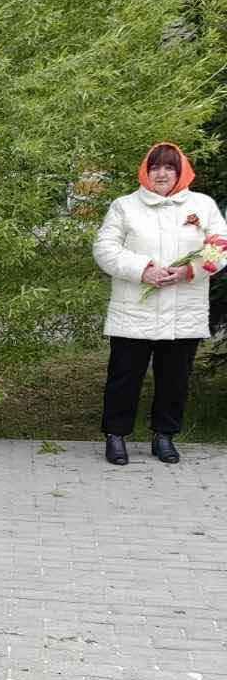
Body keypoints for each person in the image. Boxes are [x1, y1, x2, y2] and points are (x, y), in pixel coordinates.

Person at [93, 142, 227, 465]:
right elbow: (104, 249)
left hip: (184, 312)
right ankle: (116, 436)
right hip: (133, 311)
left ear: (181, 172)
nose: (162, 173)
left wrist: (189, 271)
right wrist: (143, 270)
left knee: (174, 378)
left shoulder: (202, 205)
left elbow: (221, 246)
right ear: (145, 171)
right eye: (155, 167)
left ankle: (164, 436)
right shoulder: (125, 206)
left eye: (169, 167)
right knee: (124, 377)